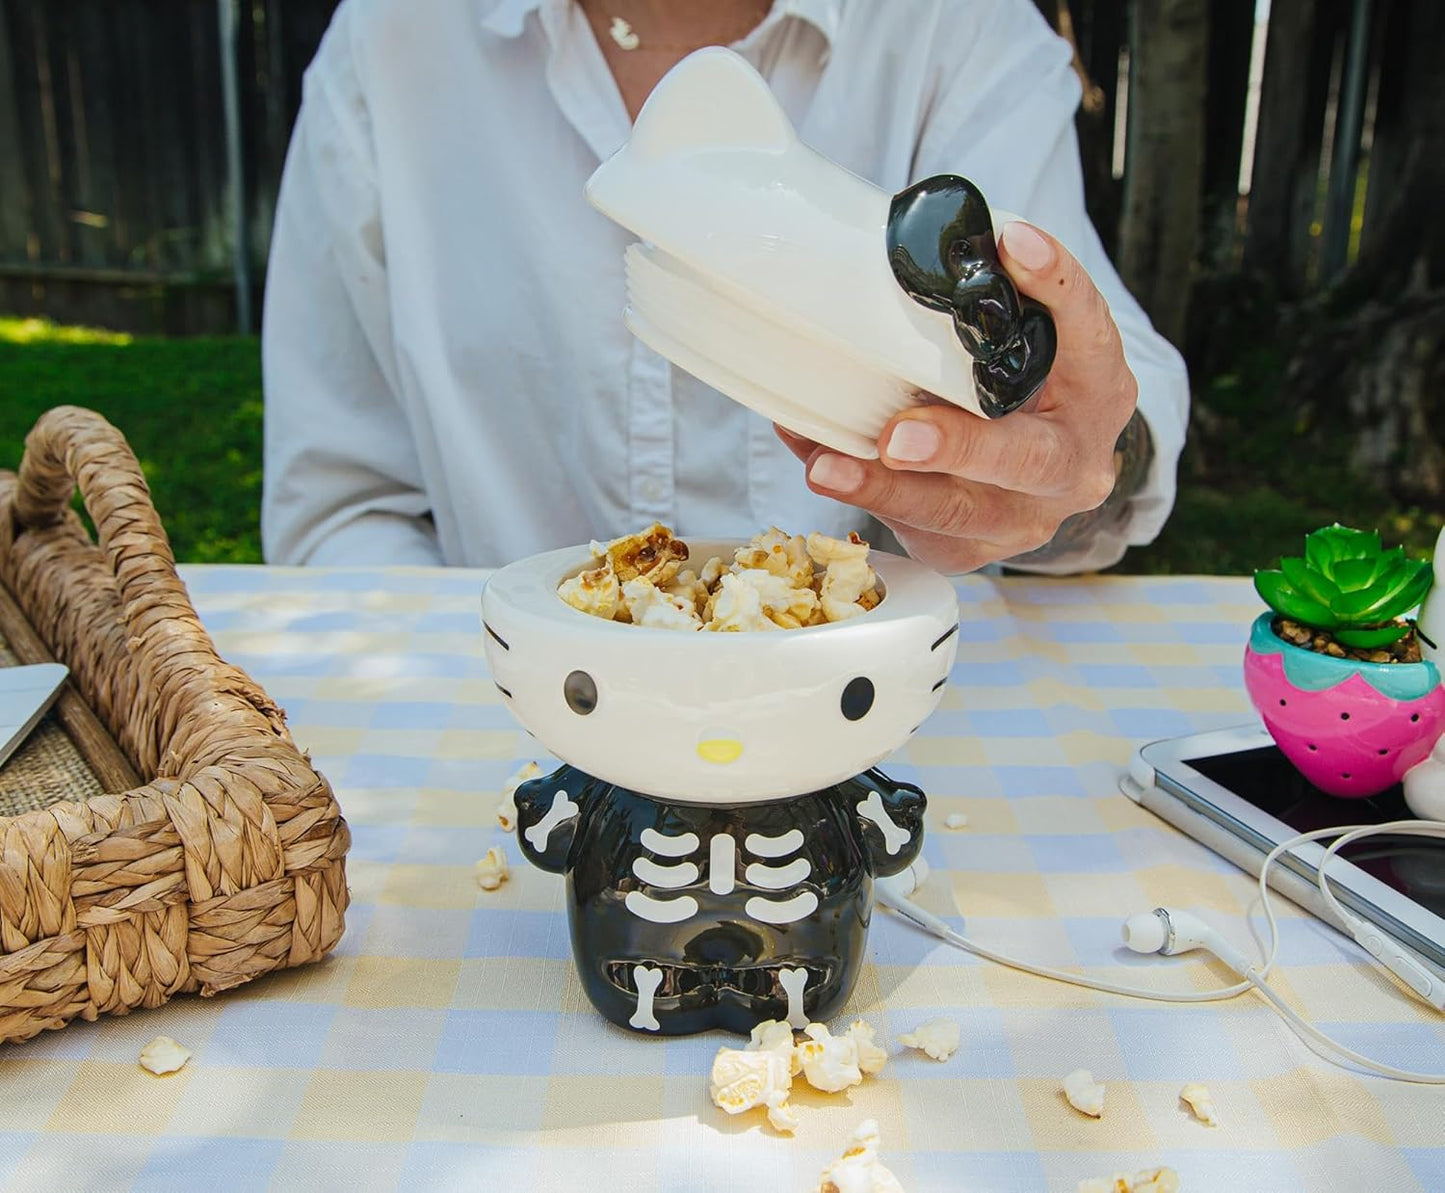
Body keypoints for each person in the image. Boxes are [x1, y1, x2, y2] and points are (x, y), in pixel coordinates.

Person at [261, 0, 1188, 575]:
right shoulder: (392, 43)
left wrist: (1063, 476)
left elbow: (1095, 448)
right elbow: (343, 509)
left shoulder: (958, 29)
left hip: (882, 729)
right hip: (516, 746)